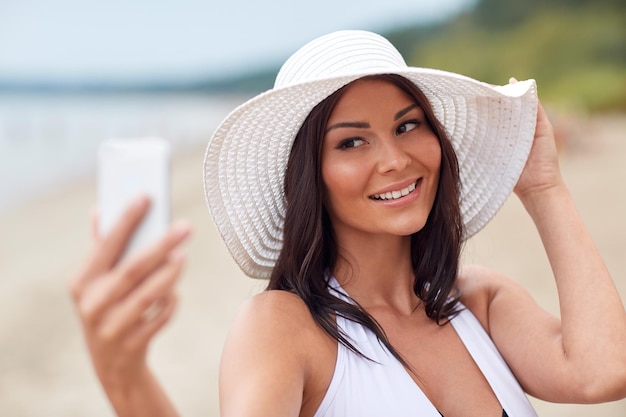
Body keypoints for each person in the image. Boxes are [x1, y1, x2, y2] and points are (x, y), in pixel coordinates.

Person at [70, 30, 626, 417]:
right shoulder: (285, 328)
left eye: (408, 126)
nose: (394, 159)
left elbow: (602, 372)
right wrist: (126, 380)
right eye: (352, 141)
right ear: (311, 176)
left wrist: (544, 188)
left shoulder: (477, 302)